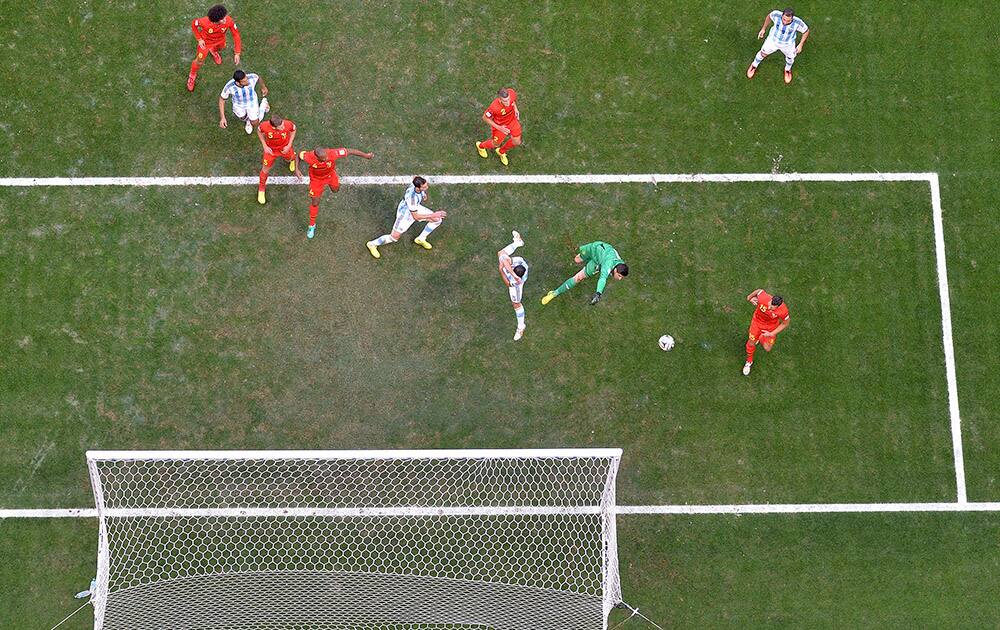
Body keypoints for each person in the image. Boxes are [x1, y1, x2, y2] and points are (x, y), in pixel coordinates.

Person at [299, 146, 374, 239]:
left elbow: (349, 151)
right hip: (316, 180)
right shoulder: (308, 156)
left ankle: (332, 184)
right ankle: (312, 225)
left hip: (330, 176)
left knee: (335, 190)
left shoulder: (332, 153)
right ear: (317, 157)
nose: (327, 159)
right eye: (324, 158)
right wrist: (296, 170)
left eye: (326, 156)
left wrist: (366, 155)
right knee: (315, 202)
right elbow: (298, 156)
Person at [366, 177, 447, 257]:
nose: (427, 187)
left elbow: (415, 177)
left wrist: (423, 194)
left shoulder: (415, 183)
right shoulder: (412, 199)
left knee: (437, 220)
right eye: (424, 187)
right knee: (394, 238)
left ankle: (421, 239)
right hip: (405, 215)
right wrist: (434, 214)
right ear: (418, 188)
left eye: (426, 185)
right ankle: (372, 244)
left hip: (415, 209)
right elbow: (416, 217)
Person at [541, 241, 628, 306]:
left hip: (598, 262)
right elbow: (602, 279)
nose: (619, 278)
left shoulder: (620, 264)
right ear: (615, 270)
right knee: (577, 259)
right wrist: (598, 293)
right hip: (592, 248)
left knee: (578, 278)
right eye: (619, 276)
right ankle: (586, 259)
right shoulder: (607, 266)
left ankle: (554, 293)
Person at [746, 7, 809, 84]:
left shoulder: (797, 23)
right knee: (763, 53)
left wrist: (800, 44)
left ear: (792, 18)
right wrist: (763, 29)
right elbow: (769, 16)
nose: (785, 22)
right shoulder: (776, 14)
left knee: (790, 57)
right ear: (782, 15)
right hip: (773, 40)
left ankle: (787, 70)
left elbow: (806, 31)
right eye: (784, 19)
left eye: (788, 21)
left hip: (788, 44)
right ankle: (754, 65)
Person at [187, 4, 242, 92]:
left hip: (220, 41)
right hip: (206, 44)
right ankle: (192, 76)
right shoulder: (203, 21)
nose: (226, 19)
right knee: (199, 60)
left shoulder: (228, 20)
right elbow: (194, 24)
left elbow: (236, 35)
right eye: (222, 18)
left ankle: (213, 51)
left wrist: (237, 52)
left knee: (221, 48)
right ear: (215, 21)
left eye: (225, 16)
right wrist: (199, 38)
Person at [742, 288, 791, 376]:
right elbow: (759, 291)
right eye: (770, 304)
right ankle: (749, 361)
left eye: (772, 307)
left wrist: (772, 333)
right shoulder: (764, 297)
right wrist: (749, 298)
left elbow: (785, 323)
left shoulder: (783, 311)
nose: (769, 307)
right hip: (757, 323)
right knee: (751, 343)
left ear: (778, 306)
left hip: (770, 328)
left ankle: (760, 337)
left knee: (767, 348)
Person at [257, 115, 302, 205]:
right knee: (265, 169)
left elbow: (293, 130)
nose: (283, 127)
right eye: (281, 127)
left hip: (284, 148)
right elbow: (259, 131)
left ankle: (292, 161)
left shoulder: (287, 124)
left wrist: (289, 145)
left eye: (282, 125)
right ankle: (261, 189)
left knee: (291, 158)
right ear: (274, 127)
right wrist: (264, 145)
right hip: (271, 151)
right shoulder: (264, 126)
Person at [475, 88, 522, 166]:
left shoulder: (512, 93)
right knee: (495, 144)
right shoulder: (494, 107)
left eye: (508, 99)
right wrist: (499, 128)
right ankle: (480, 146)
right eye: (505, 101)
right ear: (500, 100)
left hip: (512, 121)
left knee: (516, 142)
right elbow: (485, 118)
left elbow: (513, 102)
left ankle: (501, 152)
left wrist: (516, 109)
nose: (507, 103)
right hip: (501, 126)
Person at [497, 231, 528, 341]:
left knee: (516, 304)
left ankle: (521, 326)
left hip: (515, 287)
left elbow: (507, 283)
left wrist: (501, 271)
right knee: (501, 253)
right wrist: (513, 274)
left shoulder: (517, 283)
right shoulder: (520, 261)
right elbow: (504, 259)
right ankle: (518, 242)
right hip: (516, 275)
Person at [219, 70, 269, 135]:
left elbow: (258, 77)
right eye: (244, 81)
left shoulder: (251, 77)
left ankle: (263, 105)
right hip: (239, 105)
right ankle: (248, 121)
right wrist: (222, 117)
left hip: (251, 102)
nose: (247, 81)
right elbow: (222, 100)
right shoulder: (229, 87)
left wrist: (263, 87)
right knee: (242, 117)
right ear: (238, 82)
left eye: (246, 79)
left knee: (254, 122)